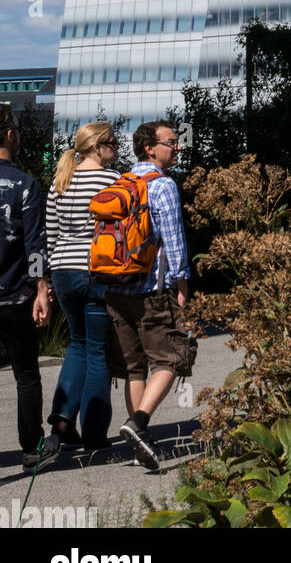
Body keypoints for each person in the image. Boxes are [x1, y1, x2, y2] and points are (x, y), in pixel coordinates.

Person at [102, 122, 191, 471]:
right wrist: (182, 284)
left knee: (134, 367)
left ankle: (139, 439)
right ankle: (138, 424)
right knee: (171, 359)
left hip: (114, 286)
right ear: (150, 148)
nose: (178, 147)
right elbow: (173, 239)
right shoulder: (162, 185)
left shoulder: (120, 182)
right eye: (172, 142)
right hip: (150, 289)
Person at [44, 122, 119, 454]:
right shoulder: (113, 181)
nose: (117, 148)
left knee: (76, 344)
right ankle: (94, 432)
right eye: (113, 142)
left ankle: (62, 416)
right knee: (97, 350)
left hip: (62, 269)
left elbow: (50, 235)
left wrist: (44, 279)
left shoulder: (60, 181)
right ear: (99, 146)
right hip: (96, 269)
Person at [0, 104, 58, 473]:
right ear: (9, 134)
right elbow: (35, 244)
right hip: (15, 296)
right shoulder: (25, 184)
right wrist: (41, 289)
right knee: (25, 373)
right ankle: (32, 447)